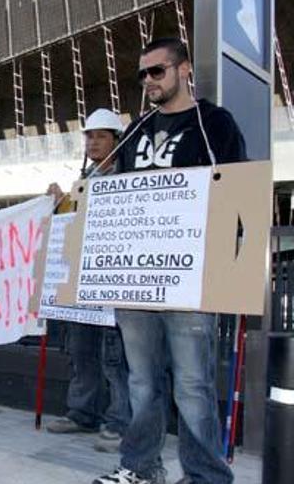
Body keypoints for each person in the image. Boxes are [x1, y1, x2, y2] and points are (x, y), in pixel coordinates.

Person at [93, 37, 244, 484]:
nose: (149, 82)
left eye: (157, 71)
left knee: (193, 384)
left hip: (188, 276)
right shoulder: (138, 129)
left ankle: (205, 477)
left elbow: (233, 190)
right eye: (142, 75)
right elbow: (107, 189)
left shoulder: (213, 122)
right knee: (141, 381)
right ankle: (141, 468)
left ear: (184, 70)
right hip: (135, 277)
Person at [45, 109, 131, 454]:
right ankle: (83, 413)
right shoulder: (85, 179)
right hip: (83, 282)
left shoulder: (130, 178)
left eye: (101, 136)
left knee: (115, 357)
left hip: (113, 281)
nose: (93, 142)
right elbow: (72, 223)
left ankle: (120, 423)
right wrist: (59, 203)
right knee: (82, 351)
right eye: (90, 137)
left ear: (116, 140)